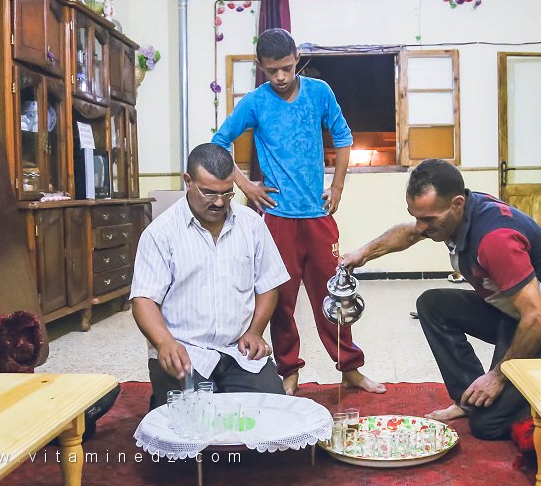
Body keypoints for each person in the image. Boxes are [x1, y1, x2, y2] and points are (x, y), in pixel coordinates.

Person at [340, 159, 541, 440]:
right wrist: (362, 254)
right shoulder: (457, 214)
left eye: (428, 220)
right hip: (511, 316)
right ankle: (469, 399)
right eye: (416, 216)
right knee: (433, 305)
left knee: (487, 425)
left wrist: (498, 377)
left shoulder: (494, 239)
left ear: (457, 204)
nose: (421, 226)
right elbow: (409, 233)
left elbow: (538, 319)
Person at [211, 28, 384, 396]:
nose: (280, 77)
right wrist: (247, 185)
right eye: (272, 70)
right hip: (276, 220)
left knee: (335, 295)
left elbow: (343, 138)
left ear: (298, 60)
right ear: (260, 67)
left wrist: (337, 186)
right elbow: (219, 143)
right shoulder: (256, 102)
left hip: (317, 217)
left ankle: (350, 368)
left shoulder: (320, 93)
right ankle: (289, 371)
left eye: (287, 68)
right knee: (281, 300)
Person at [130, 143, 291, 407]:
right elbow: (143, 300)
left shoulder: (251, 224)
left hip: (238, 351)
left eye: (227, 193)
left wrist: (255, 331)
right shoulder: (160, 233)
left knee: (271, 412)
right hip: (184, 351)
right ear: (188, 182)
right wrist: (164, 343)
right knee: (184, 424)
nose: (219, 202)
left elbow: (269, 284)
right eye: (209, 193)